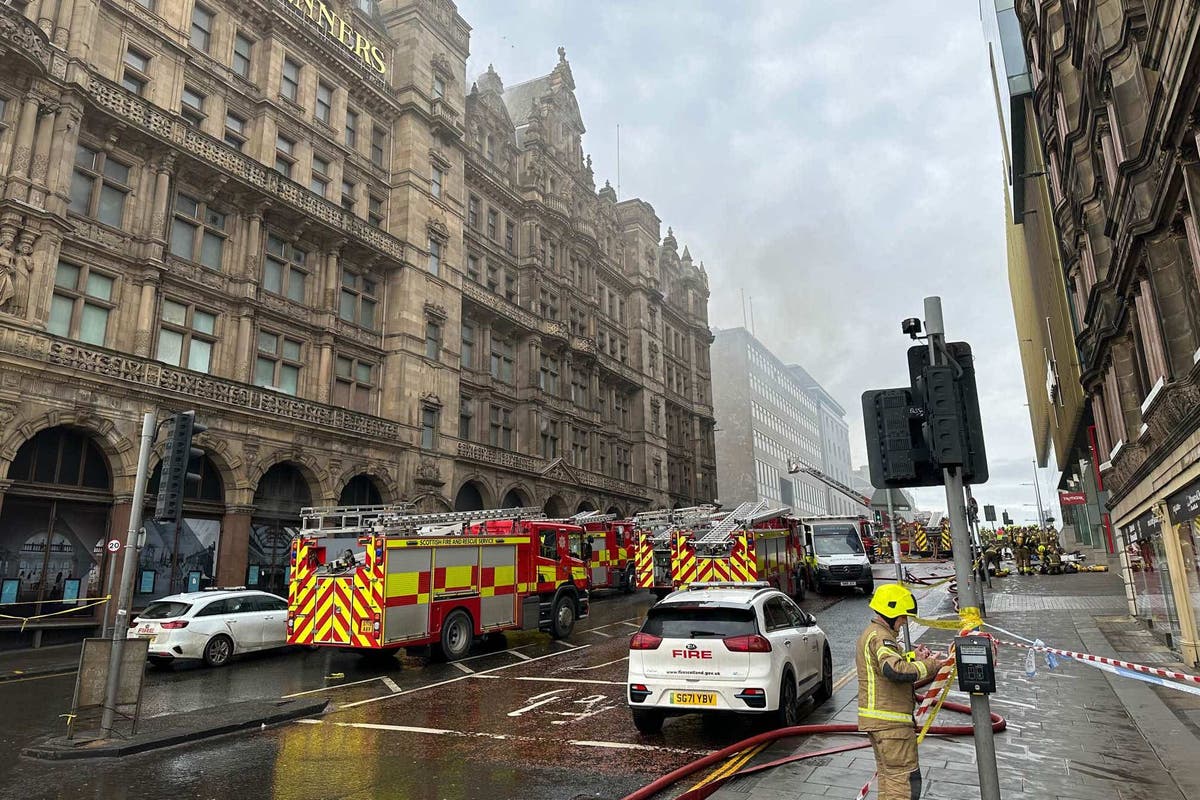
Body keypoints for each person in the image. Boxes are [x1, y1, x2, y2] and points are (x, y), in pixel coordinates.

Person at [857, 584, 948, 800]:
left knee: (890, 784)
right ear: (890, 613)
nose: (905, 622)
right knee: (905, 784)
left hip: (881, 723)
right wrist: (931, 665)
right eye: (902, 617)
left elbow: (885, 663)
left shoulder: (874, 634)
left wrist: (913, 657)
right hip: (892, 725)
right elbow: (892, 669)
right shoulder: (882, 637)